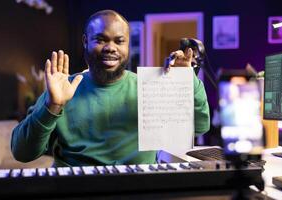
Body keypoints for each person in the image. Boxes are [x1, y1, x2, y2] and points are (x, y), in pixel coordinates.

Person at [11, 10, 210, 167]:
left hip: (138, 189)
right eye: (101, 39)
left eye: (119, 41)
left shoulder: (150, 87)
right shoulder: (62, 89)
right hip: (74, 189)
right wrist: (52, 106)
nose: (111, 47)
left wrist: (186, 80)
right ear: (85, 42)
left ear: (128, 45)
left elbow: (200, 128)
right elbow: (22, 153)